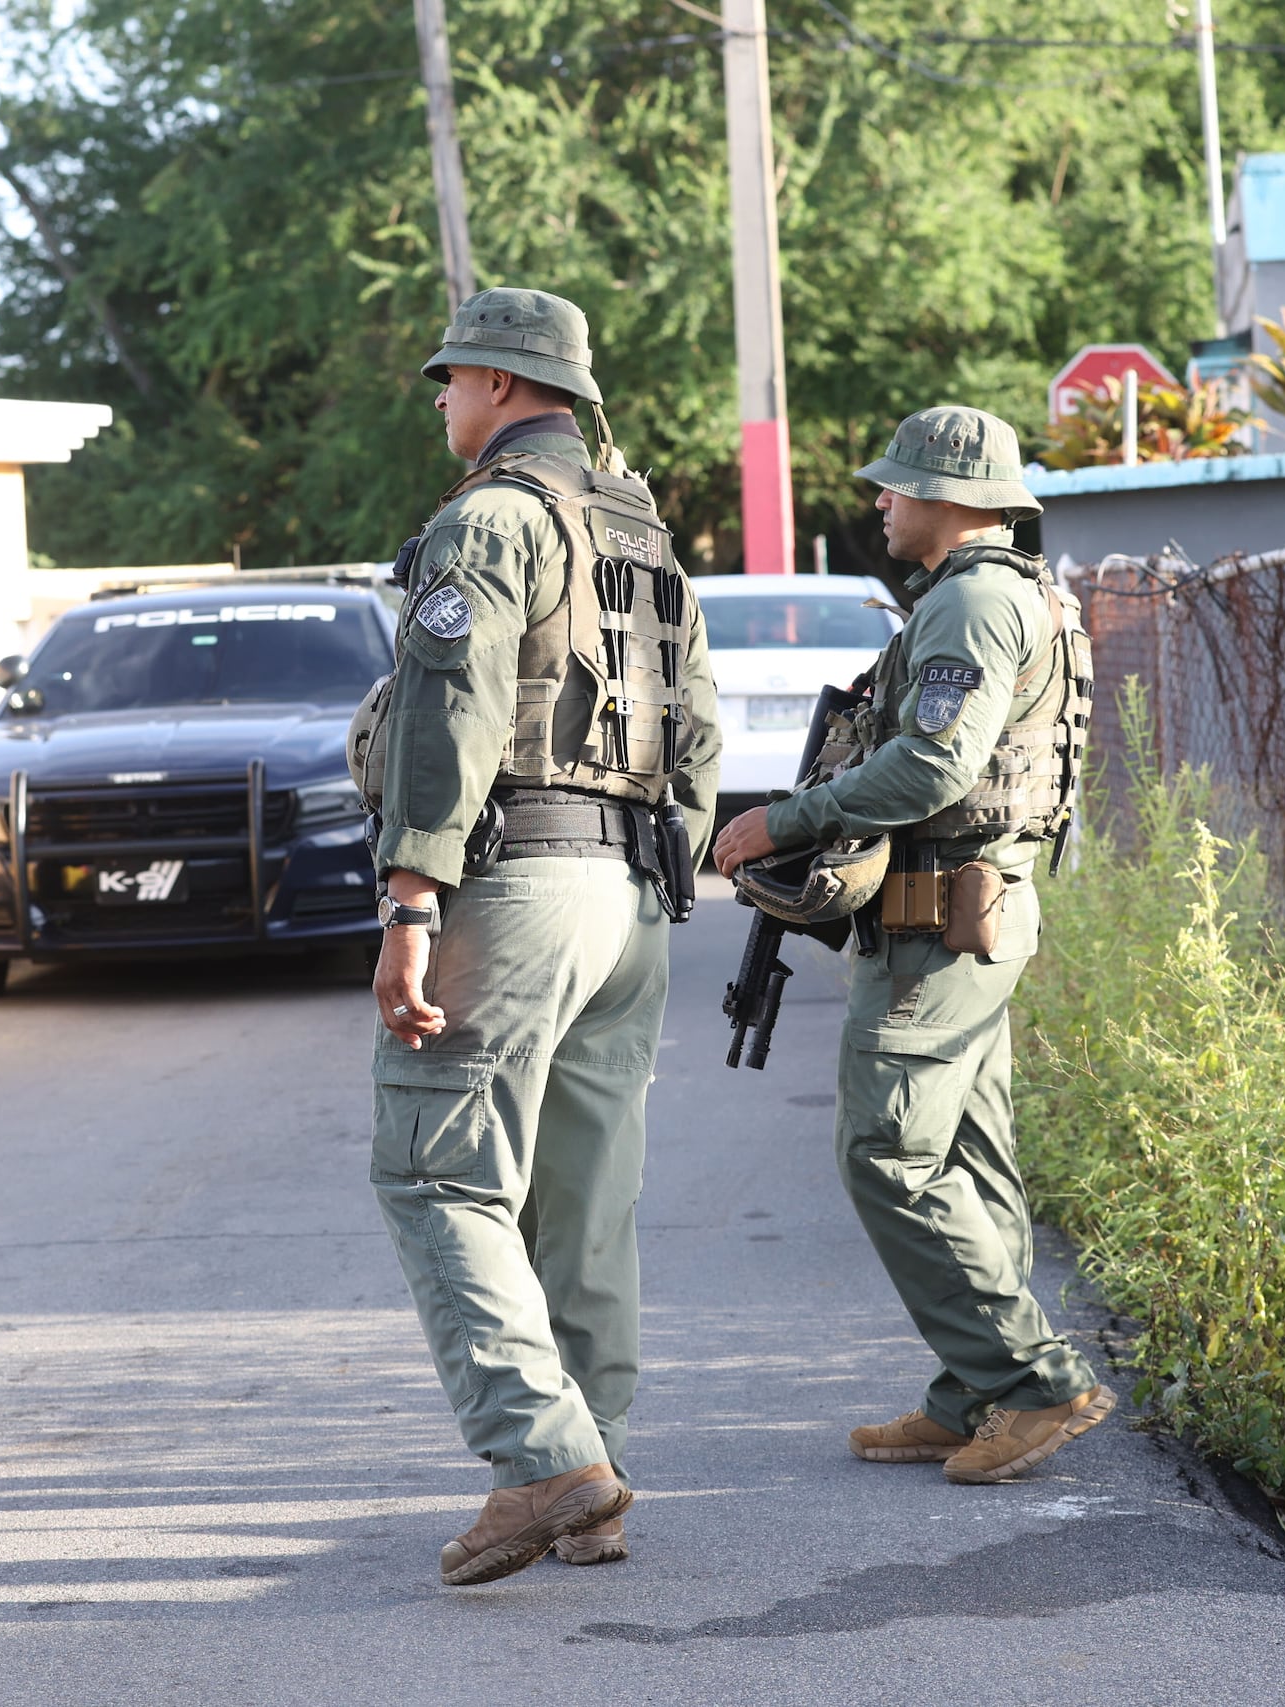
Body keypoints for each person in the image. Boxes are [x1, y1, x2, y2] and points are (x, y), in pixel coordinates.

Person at [351, 287, 721, 1585]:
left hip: (517, 884)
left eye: (452, 378)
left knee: (436, 1168)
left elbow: (450, 710)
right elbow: (704, 730)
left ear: (504, 386)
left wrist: (411, 898)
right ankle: (595, 1477)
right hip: (631, 893)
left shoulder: (494, 519)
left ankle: (545, 1455)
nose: (444, 399)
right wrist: (659, 858)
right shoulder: (642, 529)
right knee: (583, 1198)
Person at [711, 404, 1115, 1485]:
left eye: (894, 487)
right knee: (968, 1156)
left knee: (886, 1151)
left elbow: (932, 771)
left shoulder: (974, 606)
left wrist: (780, 821)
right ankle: (973, 1388)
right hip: (968, 911)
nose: (879, 502)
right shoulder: (1004, 594)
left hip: (940, 920)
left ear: (951, 497)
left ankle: (1030, 1381)